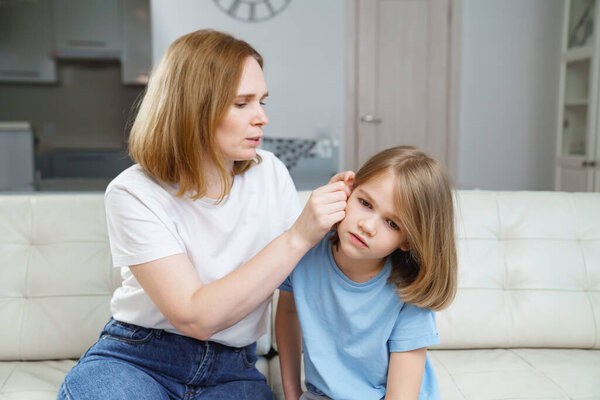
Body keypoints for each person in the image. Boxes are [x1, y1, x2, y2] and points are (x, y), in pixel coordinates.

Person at [57, 29, 354, 400]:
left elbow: (303, 288)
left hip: (233, 370)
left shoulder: (271, 172)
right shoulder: (133, 191)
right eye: (242, 103)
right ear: (194, 109)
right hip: (139, 359)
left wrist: (359, 212)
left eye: (262, 101)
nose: (261, 117)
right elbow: (194, 316)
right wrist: (298, 236)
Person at [276, 146, 458, 400]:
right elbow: (287, 312)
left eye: (392, 223)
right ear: (348, 190)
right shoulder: (305, 250)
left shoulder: (409, 292)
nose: (367, 226)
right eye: (365, 203)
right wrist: (292, 393)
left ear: (408, 241)